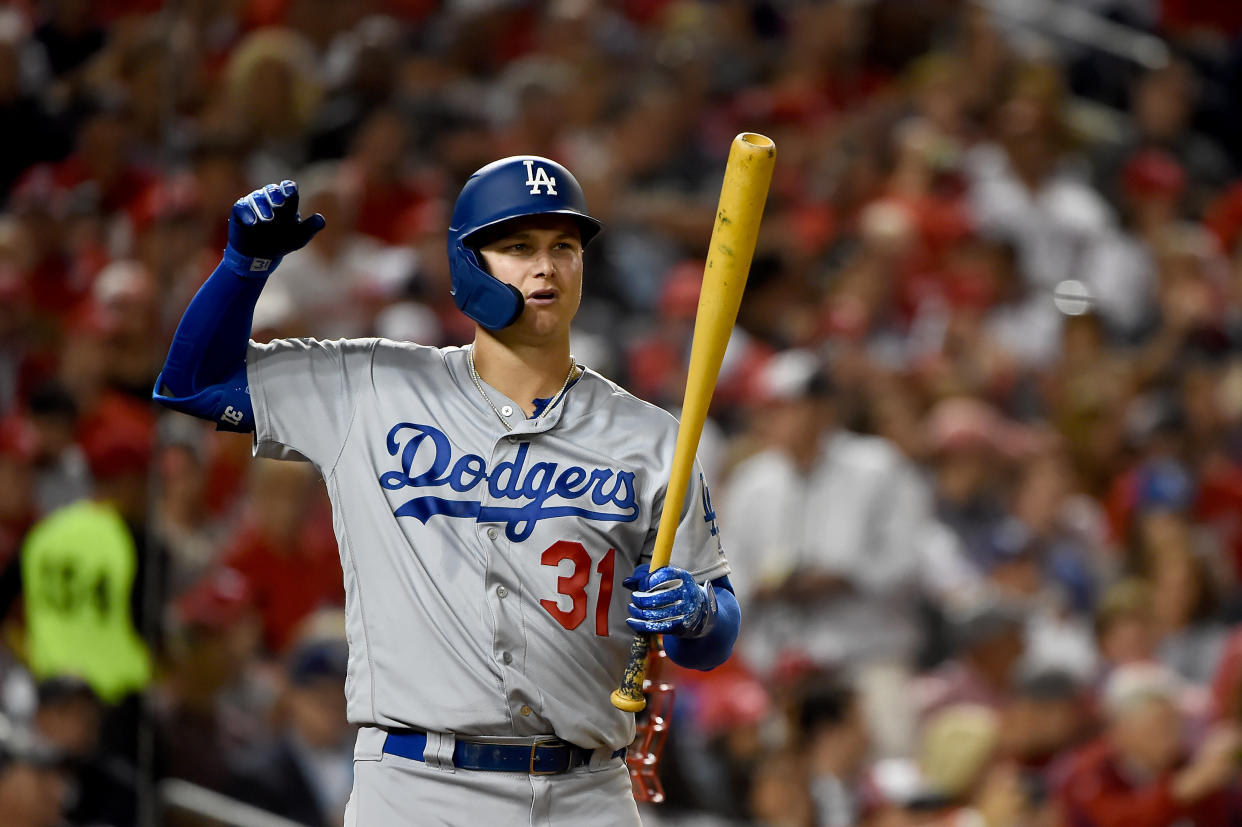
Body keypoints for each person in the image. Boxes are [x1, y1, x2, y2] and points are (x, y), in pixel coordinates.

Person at [152, 161, 741, 824]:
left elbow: (712, 635)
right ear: (467, 263)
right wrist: (243, 268)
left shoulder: (652, 437)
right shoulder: (374, 386)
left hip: (585, 790)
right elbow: (192, 384)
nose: (545, 267)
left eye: (563, 247)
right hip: (416, 785)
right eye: (518, 247)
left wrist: (696, 612)